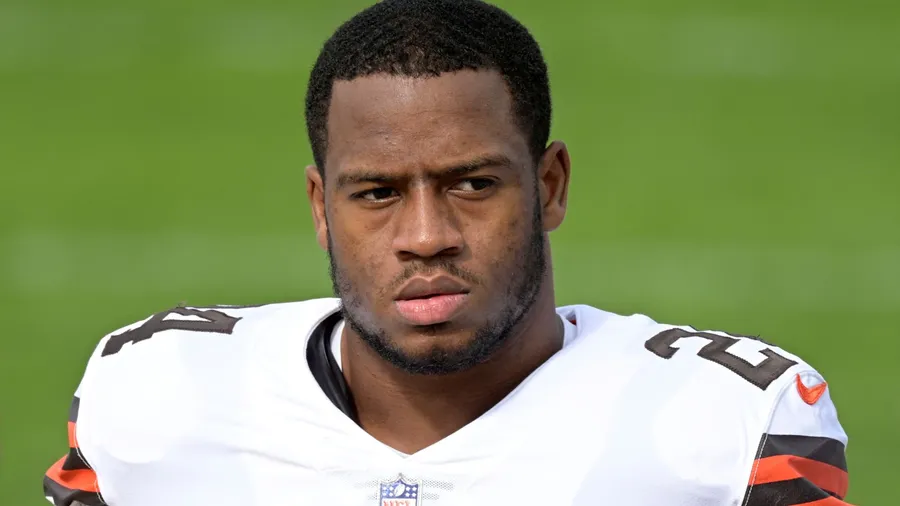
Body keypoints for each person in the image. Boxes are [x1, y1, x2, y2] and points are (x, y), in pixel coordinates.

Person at [43, 1, 853, 505]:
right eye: (377, 193)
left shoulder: (732, 428)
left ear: (550, 185)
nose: (426, 235)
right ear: (322, 208)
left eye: (471, 184)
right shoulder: (156, 397)